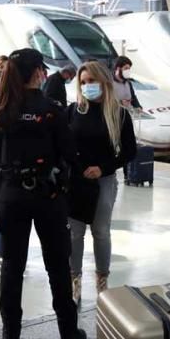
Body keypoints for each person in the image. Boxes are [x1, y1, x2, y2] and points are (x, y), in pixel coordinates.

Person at [0, 48, 86, 339]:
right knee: (57, 265)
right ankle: (68, 334)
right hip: (48, 196)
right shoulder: (52, 109)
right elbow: (70, 154)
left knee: (12, 265)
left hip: (11, 196)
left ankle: (11, 336)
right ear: (38, 73)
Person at [67, 60, 137, 302]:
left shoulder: (118, 114)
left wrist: (104, 168)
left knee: (101, 231)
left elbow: (129, 152)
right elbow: (63, 146)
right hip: (76, 182)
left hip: (104, 180)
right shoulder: (73, 111)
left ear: (103, 82)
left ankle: (102, 281)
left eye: (91, 81)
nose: (87, 86)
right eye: (83, 82)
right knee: (75, 233)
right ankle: (74, 281)